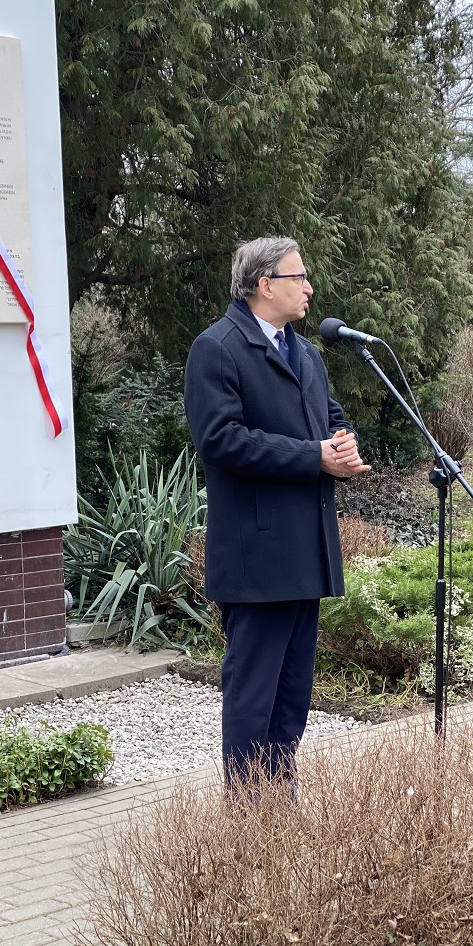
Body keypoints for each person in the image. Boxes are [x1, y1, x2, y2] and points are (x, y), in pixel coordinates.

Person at [184, 236, 370, 786]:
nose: (309, 287)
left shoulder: (305, 352)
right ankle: (249, 815)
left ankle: (278, 803)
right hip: (257, 553)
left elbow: (331, 418)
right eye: (299, 277)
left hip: (306, 547)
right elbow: (221, 440)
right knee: (254, 692)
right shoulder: (217, 348)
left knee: (292, 694)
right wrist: (314, 456)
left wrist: (344, 445)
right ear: (265, 285)